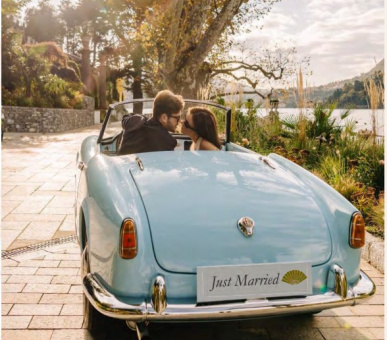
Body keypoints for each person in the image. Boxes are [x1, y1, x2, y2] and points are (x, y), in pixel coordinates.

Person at [118, 90, 184, 155]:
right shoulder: (167, 141)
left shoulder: (133, 121)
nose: (179, 121)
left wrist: (143, 118)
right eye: (177, 118)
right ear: (164, 117)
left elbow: (125, 118)